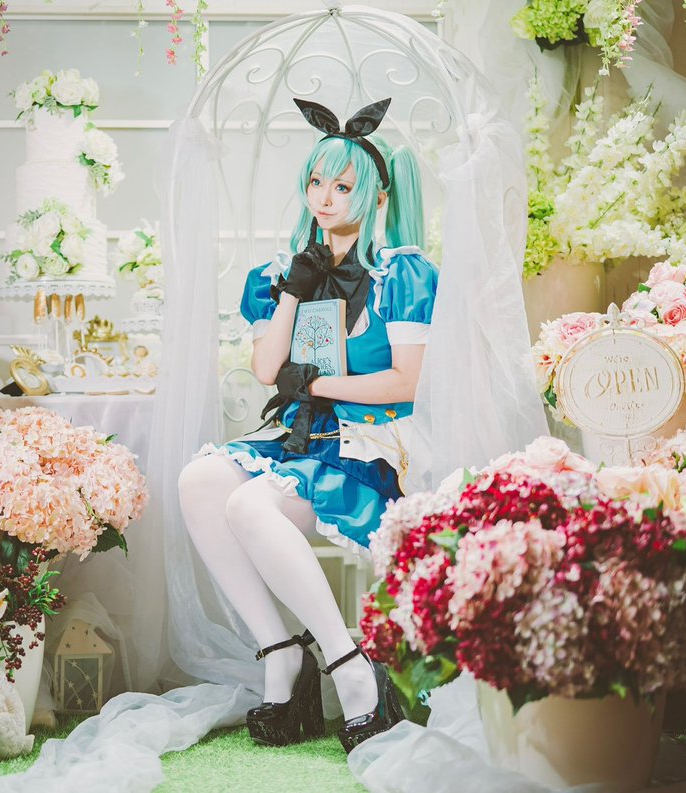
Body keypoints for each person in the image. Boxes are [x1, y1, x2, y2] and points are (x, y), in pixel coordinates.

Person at [177, 97, 436, 752]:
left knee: (249, 505)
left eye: (342, 186)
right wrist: (296, 287)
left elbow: (405, 382)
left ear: (376, 196)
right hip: (302, 441)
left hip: (371, 448)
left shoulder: (402, 274)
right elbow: (268, 369)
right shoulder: (278, 274)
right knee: (199, 480)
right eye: (316, 182)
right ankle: (281, 653)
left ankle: (349, 666)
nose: (325, 197)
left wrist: (316, 384)